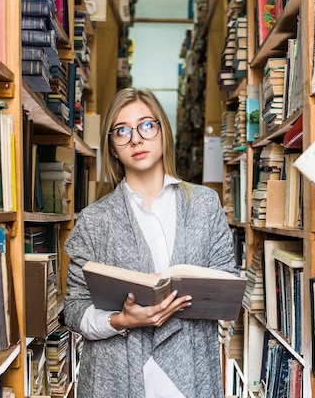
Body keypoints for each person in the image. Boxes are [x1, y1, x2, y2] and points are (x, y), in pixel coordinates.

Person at [63, 87, 238, 397]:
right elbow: (75, 311)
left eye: (146, 125)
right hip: (116, 376)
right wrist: (120, 319)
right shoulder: (92, 221)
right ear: (113, 148)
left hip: (190, 371)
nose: (136, 139)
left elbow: (229, 289)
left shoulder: (205, 205)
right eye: (122, 131)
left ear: (162, 132)